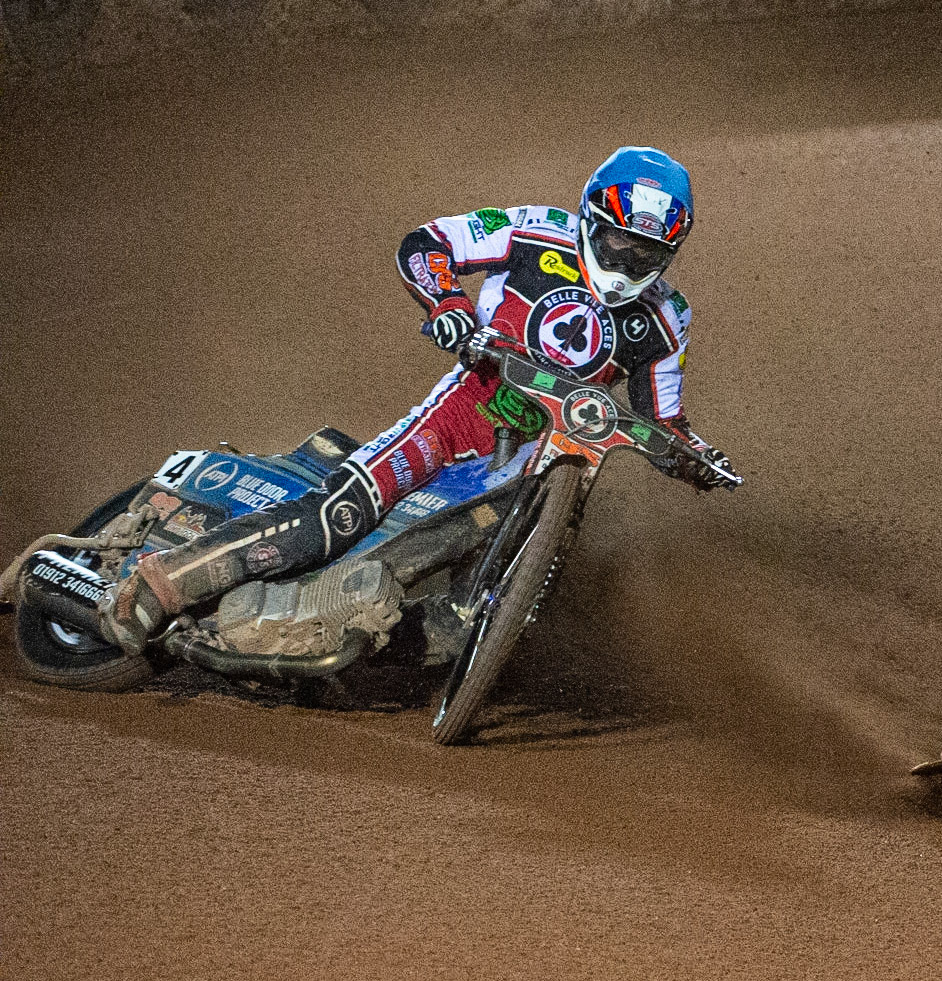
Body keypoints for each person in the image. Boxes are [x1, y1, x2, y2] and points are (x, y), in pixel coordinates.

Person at [99, 146, 730, 654]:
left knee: (516, 585)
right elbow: (425, 244)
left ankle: (387, 636)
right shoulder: (536, 231)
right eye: (620, 240)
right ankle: (160, 588)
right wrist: (450, 304)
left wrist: (693, 459)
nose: (631, 258)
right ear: (593, 218)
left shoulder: (667, 317)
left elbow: (663, 418)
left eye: (649, 250)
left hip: (547, 459)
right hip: (464, 411)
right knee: (338, 516)